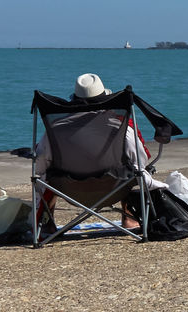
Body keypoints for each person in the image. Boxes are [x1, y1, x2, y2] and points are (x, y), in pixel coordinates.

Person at [35, 73, 168, 232]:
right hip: (114, 188)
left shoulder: (56, 128)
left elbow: (40, 162)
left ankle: (46, 224)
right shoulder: (120, 126)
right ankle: (129, 218)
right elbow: (141, 161)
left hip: (69, 190)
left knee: (49, 173)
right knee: (129, 167)